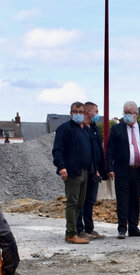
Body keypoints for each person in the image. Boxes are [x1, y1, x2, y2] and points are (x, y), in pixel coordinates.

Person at [106, 100, 140, 239]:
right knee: (122, 200)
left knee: (135, 200)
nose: (127, 115)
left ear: (136, 114)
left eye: (129, 113)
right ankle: (122, 228)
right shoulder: (117, 129)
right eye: (125, 113)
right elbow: (109, 149)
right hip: (122, 170)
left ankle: (133, 228)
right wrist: (109, 167)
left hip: (138, 171)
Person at [52, 101, 93, 244]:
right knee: (72, 203)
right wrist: (62, 167)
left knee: (79, 203)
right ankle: (70, 233)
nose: (79, 114)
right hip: (72, 172)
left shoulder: (85, 130)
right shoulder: (65, 129)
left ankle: (75, 230)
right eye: (75, 112)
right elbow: (57, 150)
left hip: (84, 171)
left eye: (81, 112)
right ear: (70, 113)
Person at [76, 101, 107, 240]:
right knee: (80, 201)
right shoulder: (80, 128)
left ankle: (89, 228)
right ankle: (79, 229)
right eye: (96, 111)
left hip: (95, 170)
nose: (97, 114)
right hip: (83, 170)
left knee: (90, 200)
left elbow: (98, 149)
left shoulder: (94, 128)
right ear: (88, 111)